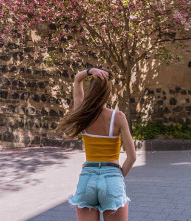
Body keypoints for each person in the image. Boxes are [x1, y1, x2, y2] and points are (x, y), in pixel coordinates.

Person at [57, 67, 136, 221]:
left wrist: (89, 71)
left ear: (91, 90)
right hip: (112, 176)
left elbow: (76, 80)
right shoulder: (118, 117)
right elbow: (132, 157)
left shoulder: (83, 115)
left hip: (87, 179)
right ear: (108, 92)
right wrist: (117, 177)